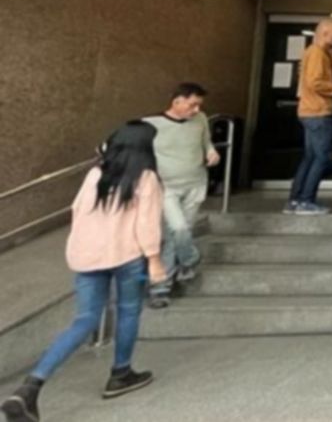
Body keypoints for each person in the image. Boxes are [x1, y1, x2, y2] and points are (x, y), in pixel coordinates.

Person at [2, 122, 167, 421]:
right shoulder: (146, 178)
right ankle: (121, 374)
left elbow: (78, 211)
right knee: (128, 311)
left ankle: (30, 388)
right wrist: (154, 260)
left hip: (87, 256)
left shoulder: (95, 174)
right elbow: (147, 224)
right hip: (128, 255)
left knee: (84, 320)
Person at [142, 83, 218, 309]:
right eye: (192, 105)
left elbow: (206, 143)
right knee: (179, 229)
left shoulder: (201, 119)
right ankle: (190, 259)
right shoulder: (150, 125)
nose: (196, 110)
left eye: (199, 105)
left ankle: (161, 287)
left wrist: (212, 152)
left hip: (195, 184)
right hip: (167, 188)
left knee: (175, 236)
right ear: (177, 101)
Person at [288, 19, 332, 215]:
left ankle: (295, 200)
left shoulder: (320, 53)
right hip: (318, 112)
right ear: (325, 34)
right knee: (322, 158)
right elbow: (315, 83)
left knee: (310, 157)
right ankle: (306, 200)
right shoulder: (317, 53)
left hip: (310, 112)